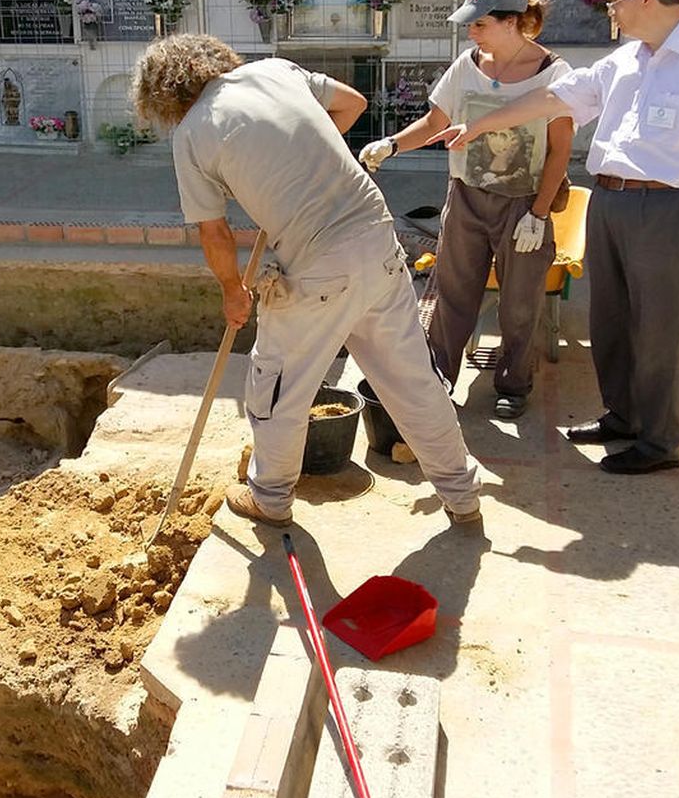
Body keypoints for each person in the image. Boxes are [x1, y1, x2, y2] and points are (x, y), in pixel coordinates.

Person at [428, 0, 679, 474]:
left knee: (659, 325)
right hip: (613, 200)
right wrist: (480, 127)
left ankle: (660, 442)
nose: (609, 9)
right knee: (611, 319)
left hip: (674, 205)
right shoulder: (628, 59)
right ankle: (622, 416)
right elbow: (553, 99)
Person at [132, 34, 483, 528]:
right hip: (378, 239)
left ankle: (270, 498)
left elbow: (214, 231)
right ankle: (462, 495)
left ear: (163, 96)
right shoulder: (274, 71)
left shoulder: (192, 134)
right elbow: (353, 104)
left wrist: (234, 291)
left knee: (278, 385)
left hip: (319, 263)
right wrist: (303, 160)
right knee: (414, 382)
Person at [359, 0, 572, 420]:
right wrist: (392, 144)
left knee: (519, 300)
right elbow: (434, 120)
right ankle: (438, 376)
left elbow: (559, 152)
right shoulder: (467, 65)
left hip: (523, 202)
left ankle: (514, 383)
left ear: (512, 23)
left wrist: (537, 213)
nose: (471, 33)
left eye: (479, 25)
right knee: (452, 293)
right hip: (467, 196)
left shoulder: (555, 74)